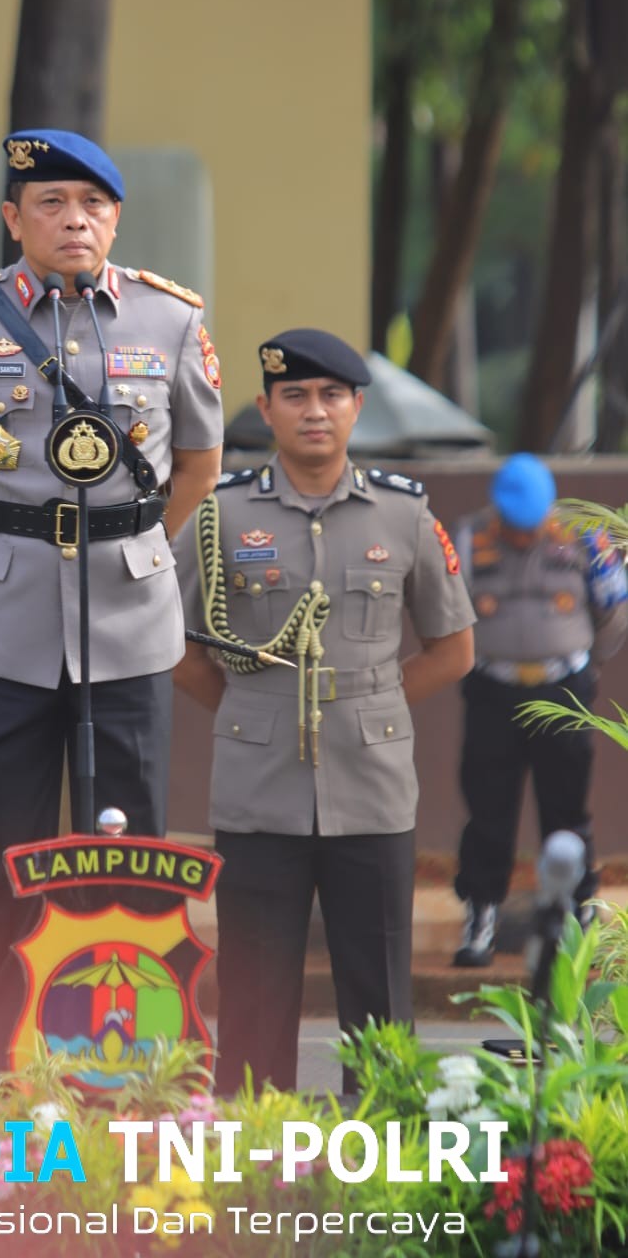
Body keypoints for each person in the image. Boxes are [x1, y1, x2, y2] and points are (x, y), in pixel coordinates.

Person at [0, 129, 224, 1095]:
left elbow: (200, 461)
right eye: (50, 203)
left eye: (91, 203)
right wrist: (0, 542)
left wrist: (137, 547)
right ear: (15, 219)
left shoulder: (168, 321)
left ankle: (128, 1070)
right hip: (0, 622)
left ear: (116, 218)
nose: (73, 219)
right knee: (3, 857)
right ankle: (2, 1067)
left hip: (126, 619)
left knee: (132, 851)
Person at [173, 328, 475, 1094]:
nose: (316, 411)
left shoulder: (403, 515)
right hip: (258, 786)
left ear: (357, 408)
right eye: (296, 396)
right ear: (265, 409)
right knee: (255, 993)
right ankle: (251, 1164)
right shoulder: (221, 514)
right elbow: (174, 647)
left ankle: (380, 1158)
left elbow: (453, 648)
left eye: (332, 395)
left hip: (371, 786)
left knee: (377, 994)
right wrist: (256, 703)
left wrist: (367, 705)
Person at [451, 452, 628, 968]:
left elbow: (614, 612)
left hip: (563, 688)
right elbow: (446, 610)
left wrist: (586, 664)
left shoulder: (586, 541)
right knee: (488, 810)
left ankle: (575, 913)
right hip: (493, 689)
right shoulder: (467, 539)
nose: (521, 533)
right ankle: (481, 913)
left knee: (567, 808)